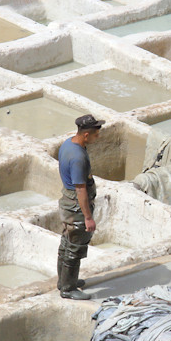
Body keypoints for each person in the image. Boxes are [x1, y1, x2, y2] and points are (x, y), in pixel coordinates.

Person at [57, 114, 104, 300]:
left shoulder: (68, 144)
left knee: (66, 243)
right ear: (86, 135)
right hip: (76, 208)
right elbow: (81, 189)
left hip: (67, 203)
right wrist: (88, 217)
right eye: (95, 134)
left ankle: (64, 281)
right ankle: (68, 289)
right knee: (75, 248)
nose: (97, 138)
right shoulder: (78, 157)